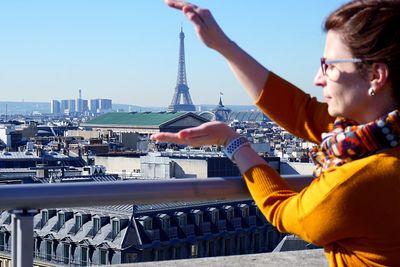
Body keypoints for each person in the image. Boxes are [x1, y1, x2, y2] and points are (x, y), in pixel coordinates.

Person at [152, 1, 400, 266]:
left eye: (330, 66)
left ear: (376, 75)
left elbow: (283, 211)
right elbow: (300, 112)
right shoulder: (380, 138)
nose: (318, 78)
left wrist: (233, 143)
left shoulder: (358, 181)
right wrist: (224, 46)